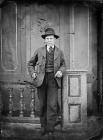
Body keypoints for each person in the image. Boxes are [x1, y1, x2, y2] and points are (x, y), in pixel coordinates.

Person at [27, 27, 66, 136]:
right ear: (45, 40)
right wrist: (33, 73)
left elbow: (64, 65)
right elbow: (30, 64)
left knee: (52, 105)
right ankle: (43, 127)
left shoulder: (59, 52)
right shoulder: (39, 51)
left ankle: (50, 128)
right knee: (43, 104)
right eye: (47, 38)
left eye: (51, 38)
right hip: (41, 80)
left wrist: (60, 71)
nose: (49, 40)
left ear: (54, 39)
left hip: (53, 80)